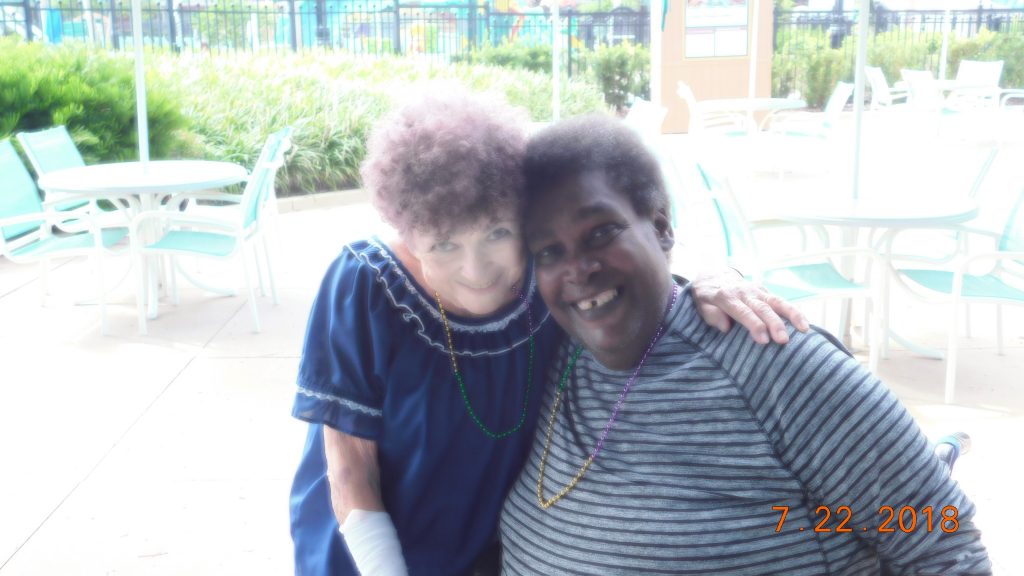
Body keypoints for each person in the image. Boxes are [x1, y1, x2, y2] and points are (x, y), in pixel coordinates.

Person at [289, 91, 809, 576]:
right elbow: (350, 473)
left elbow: (630, 273)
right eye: (444, 246)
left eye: (497, 233)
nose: (478, 270)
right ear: (407, 231)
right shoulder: (367, 285)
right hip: (362, 554)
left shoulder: (542, 278)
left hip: (477, 554)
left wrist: (710, 279)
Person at [498, 114, 992, 574]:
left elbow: (942, 543)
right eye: (549, 251)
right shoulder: (549, 353)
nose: (578, 269)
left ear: (663, 228)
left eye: (602, 232)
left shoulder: (775, 361)